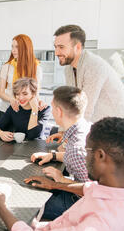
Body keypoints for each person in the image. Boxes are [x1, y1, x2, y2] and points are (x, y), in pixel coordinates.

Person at [0, 117, 124, 231]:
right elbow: (89, 188)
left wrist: (0, 206)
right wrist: (55, 185)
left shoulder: (99, 227)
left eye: (87, 150)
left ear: (100, 155)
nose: (84, 157)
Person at [47, 24, 124, 187]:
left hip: (118, 128)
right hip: (100, 126)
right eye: (56, 47)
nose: (57, 52)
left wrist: (66, 142)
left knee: (123, 174)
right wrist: (65, 133)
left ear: (77, 47)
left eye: (61, 47)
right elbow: (72, 105)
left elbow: (85, 110)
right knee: (104, 178)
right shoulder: (69, 69)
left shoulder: (94, 66)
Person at [30, 86, 91, 220]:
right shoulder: (84, 127)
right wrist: (52, 155)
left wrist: (61, 179)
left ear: (59, 111)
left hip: (80, 204)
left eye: (52, 107)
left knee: (30, 204)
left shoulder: (76, 148)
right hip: (78, 192)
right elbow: (77, 158)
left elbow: (92, 191)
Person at [0, 34, 44, 122]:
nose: (13, 50)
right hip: (6, 111)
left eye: (17, 47)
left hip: (26, 114)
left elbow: (35, 93)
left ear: (26, 48)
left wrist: (40, 102)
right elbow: (1, 93)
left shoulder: (36, 68)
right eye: (12, 47)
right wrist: (12, 99)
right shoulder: (6, 67)